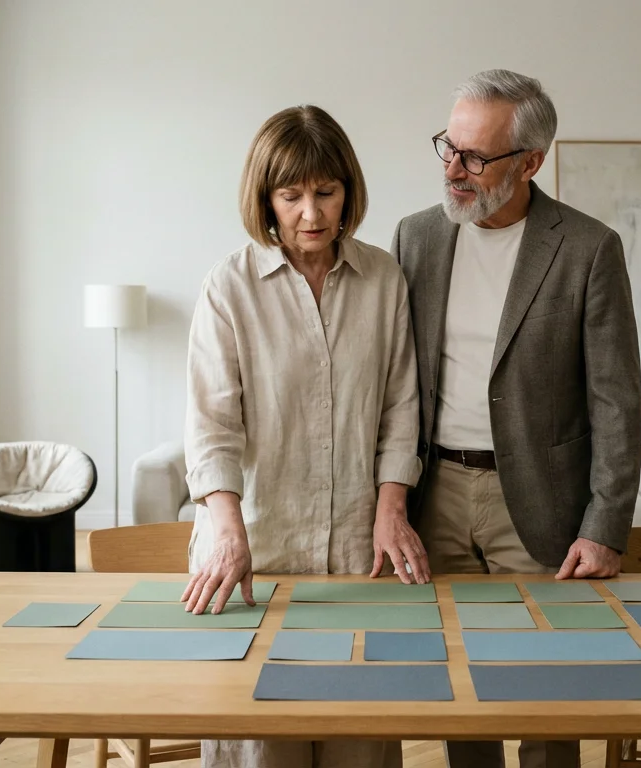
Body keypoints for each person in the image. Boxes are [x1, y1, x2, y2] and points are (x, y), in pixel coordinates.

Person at [391, 69, 641, 768]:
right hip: (435, 489)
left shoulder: (589, 248)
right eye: (448, 147)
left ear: (531, 162)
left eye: (474, 157)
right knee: (459, 682)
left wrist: (604, 527)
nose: (454, 169)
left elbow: (617, 402)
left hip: (537, 498)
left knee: (548, 685)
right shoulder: (415, 238)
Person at [182, 104, 428, 768]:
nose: (310, 213)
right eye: (291, 195)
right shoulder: (227, 288)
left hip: (356, 551)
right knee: (263, 744)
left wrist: (392, 508)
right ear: (265, 198)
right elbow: (211, 427)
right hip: (254, 547)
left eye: (325, 191)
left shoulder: (383, 280)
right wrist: (227, 526)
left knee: (360, 735)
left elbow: (401, 407)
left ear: (348, 190)